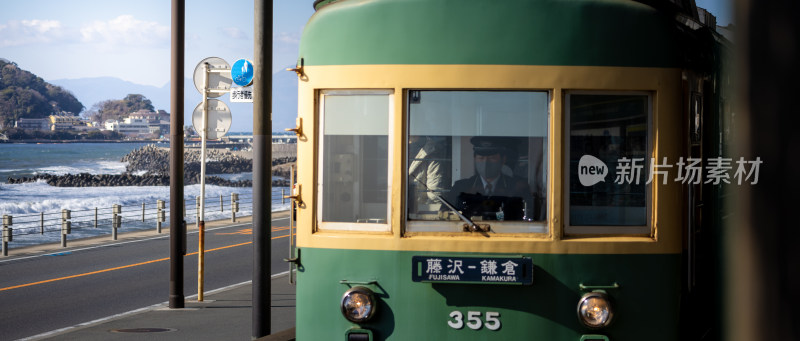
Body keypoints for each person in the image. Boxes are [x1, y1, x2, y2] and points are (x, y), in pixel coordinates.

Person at [446, 136, 533, 221]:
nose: (485, 163)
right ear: (475, 159)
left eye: (492, 158)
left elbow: (526, 217)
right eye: (481, 158)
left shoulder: (516, 186)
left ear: (503, 160)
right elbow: (445, 214)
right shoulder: (461, 187)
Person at [408, 136, 450, 215]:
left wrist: (424, 218)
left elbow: (434, 196)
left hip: (419, 216)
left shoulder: (431, 154)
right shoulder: (394, 148)